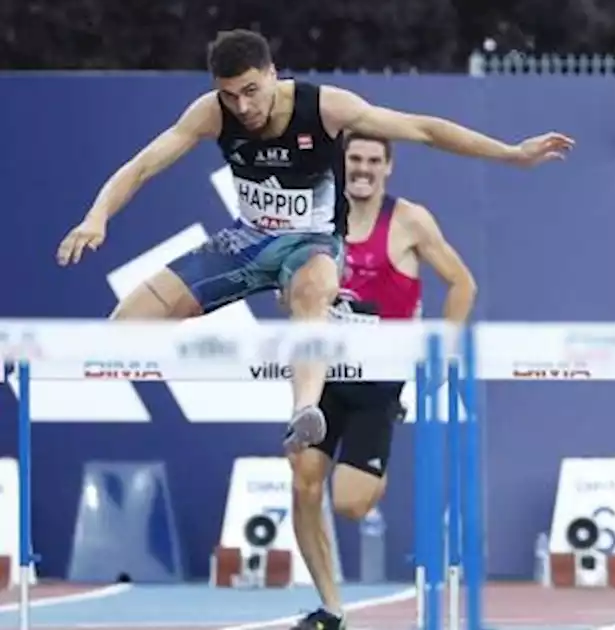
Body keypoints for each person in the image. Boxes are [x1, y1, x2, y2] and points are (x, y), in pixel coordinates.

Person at [55, 29, 571, 453]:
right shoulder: (211, 112)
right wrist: (96, 217)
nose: (243, 106)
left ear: (273, 75)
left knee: (311, 288)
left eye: (251, 91)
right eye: (230, 94)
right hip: (247, 240)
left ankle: (305, 407)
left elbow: (424, 129)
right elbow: (144, 164)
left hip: (314, 241)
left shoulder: (325, 107)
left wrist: (510, 153)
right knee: (123, 324)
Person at [288, 132, 476, 630]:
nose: (364, 169)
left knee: (350, 504)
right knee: (304, 484)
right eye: (355, 160)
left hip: (380, 384)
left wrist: (441, 351)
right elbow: (289, 287)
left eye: (374, 160)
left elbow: (462, 284)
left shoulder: (410, 220)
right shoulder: (317, 219)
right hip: (324, 376)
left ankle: (373, 467)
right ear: (341, 164)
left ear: (388, 167)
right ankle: (331, 608)